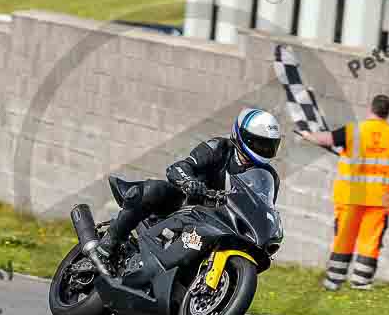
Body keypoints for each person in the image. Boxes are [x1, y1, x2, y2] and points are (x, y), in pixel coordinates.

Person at [92, 108, 283, 268]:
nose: (264, 149)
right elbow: (179, 167)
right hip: (186, 205)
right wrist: (190, 183)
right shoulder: (219, 148)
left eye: (269, 145)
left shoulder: (269, 176)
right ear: (243, 136)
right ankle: (108, 245)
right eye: (258, 143)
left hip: (223, 223)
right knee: (154, 190)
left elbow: (262, 208)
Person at [299, 95, 389, 291]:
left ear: (371, 108)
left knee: (344, 238)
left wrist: (307, 135)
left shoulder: (354, 130)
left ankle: (334, 281)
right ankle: (361, 282)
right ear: (388, 112)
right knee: (370, 240)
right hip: (380, 198)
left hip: (351, 197)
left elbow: (328, 139)